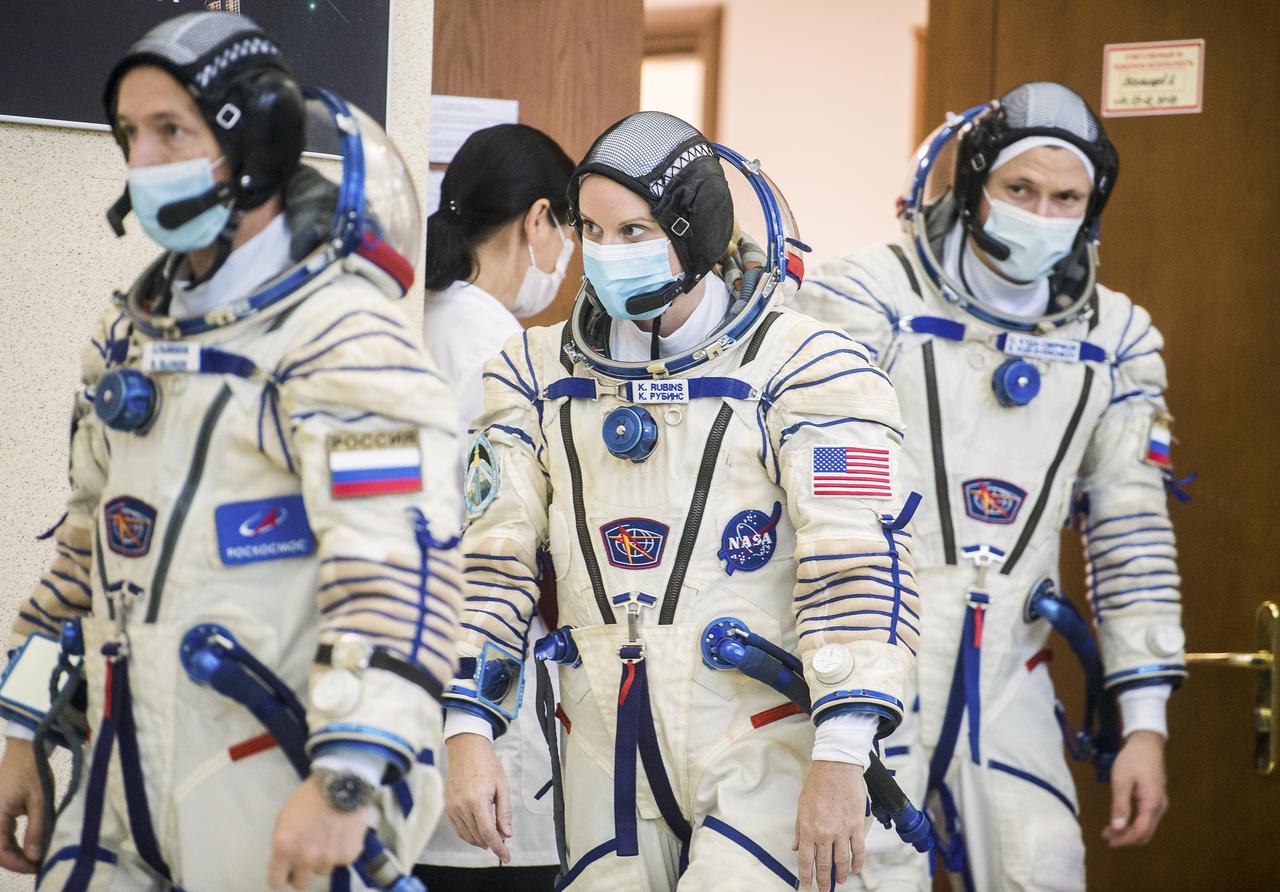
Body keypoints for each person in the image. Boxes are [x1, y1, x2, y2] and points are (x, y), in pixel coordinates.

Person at [0, 12, 463, 890]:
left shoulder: (343, 336)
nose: (146, 161)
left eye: (172, 130)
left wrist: (345, 781)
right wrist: (18, 728)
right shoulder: (127, 337)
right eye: (132, 135)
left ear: (254, 136)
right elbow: (83, 549)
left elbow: (399, 573)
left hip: (276, 773)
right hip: (120, 774)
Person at [439, 110, 921, 892]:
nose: (606, 252)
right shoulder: (530, 373)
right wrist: (467, 726)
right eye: (590, 228)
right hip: (604, 746)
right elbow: (489, 562)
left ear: (695, 232)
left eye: (635, 231)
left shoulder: (812, 368)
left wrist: (842, 754)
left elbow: (859, 564)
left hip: (760, 737)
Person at [789, 82, 1187, 891]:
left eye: (1065, 197)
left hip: (1010, 675)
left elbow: (1131, 534)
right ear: (974, 188)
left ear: (1092, 207)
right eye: (1020, 189)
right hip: (874, 664)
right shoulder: (867, 298)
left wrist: (1144, 725)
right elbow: (820, 501)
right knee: (868, 876)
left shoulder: (1116, 342)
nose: (1042, 213)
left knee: (1045, 868)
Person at [417, 124, 575, 891]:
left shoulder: (409, 322)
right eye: (577, 229)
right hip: (484, 709)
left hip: (401, 701)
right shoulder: (507, 355)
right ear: (538, 219)